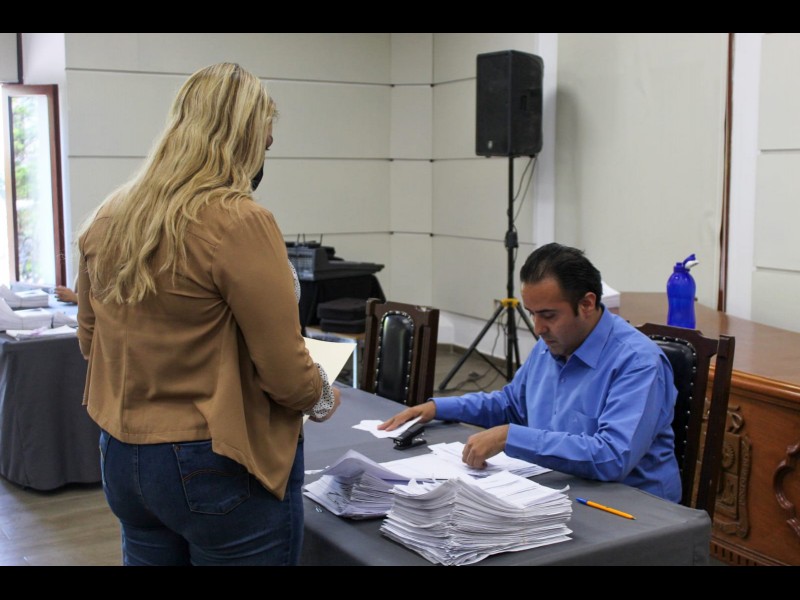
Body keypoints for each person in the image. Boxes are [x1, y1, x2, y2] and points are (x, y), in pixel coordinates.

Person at [76, 62, 341, 566]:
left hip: (123, 458)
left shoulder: (109, 216)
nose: (262, 159)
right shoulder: (240, 221)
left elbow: (91, 343)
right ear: (243, 140)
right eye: (264, 145)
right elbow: (286, 375)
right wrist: (322, 395)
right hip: (213, 462)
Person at [380, 242, 681, 502]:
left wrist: (511, 437)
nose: (538, 328)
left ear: (587, 304)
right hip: (564, 489)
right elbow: (510, 405)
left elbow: (611, 457)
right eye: (532, 314)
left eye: (548, 315)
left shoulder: (638, 362)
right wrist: (438, 407)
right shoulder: (551, 344)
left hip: (633, 508)